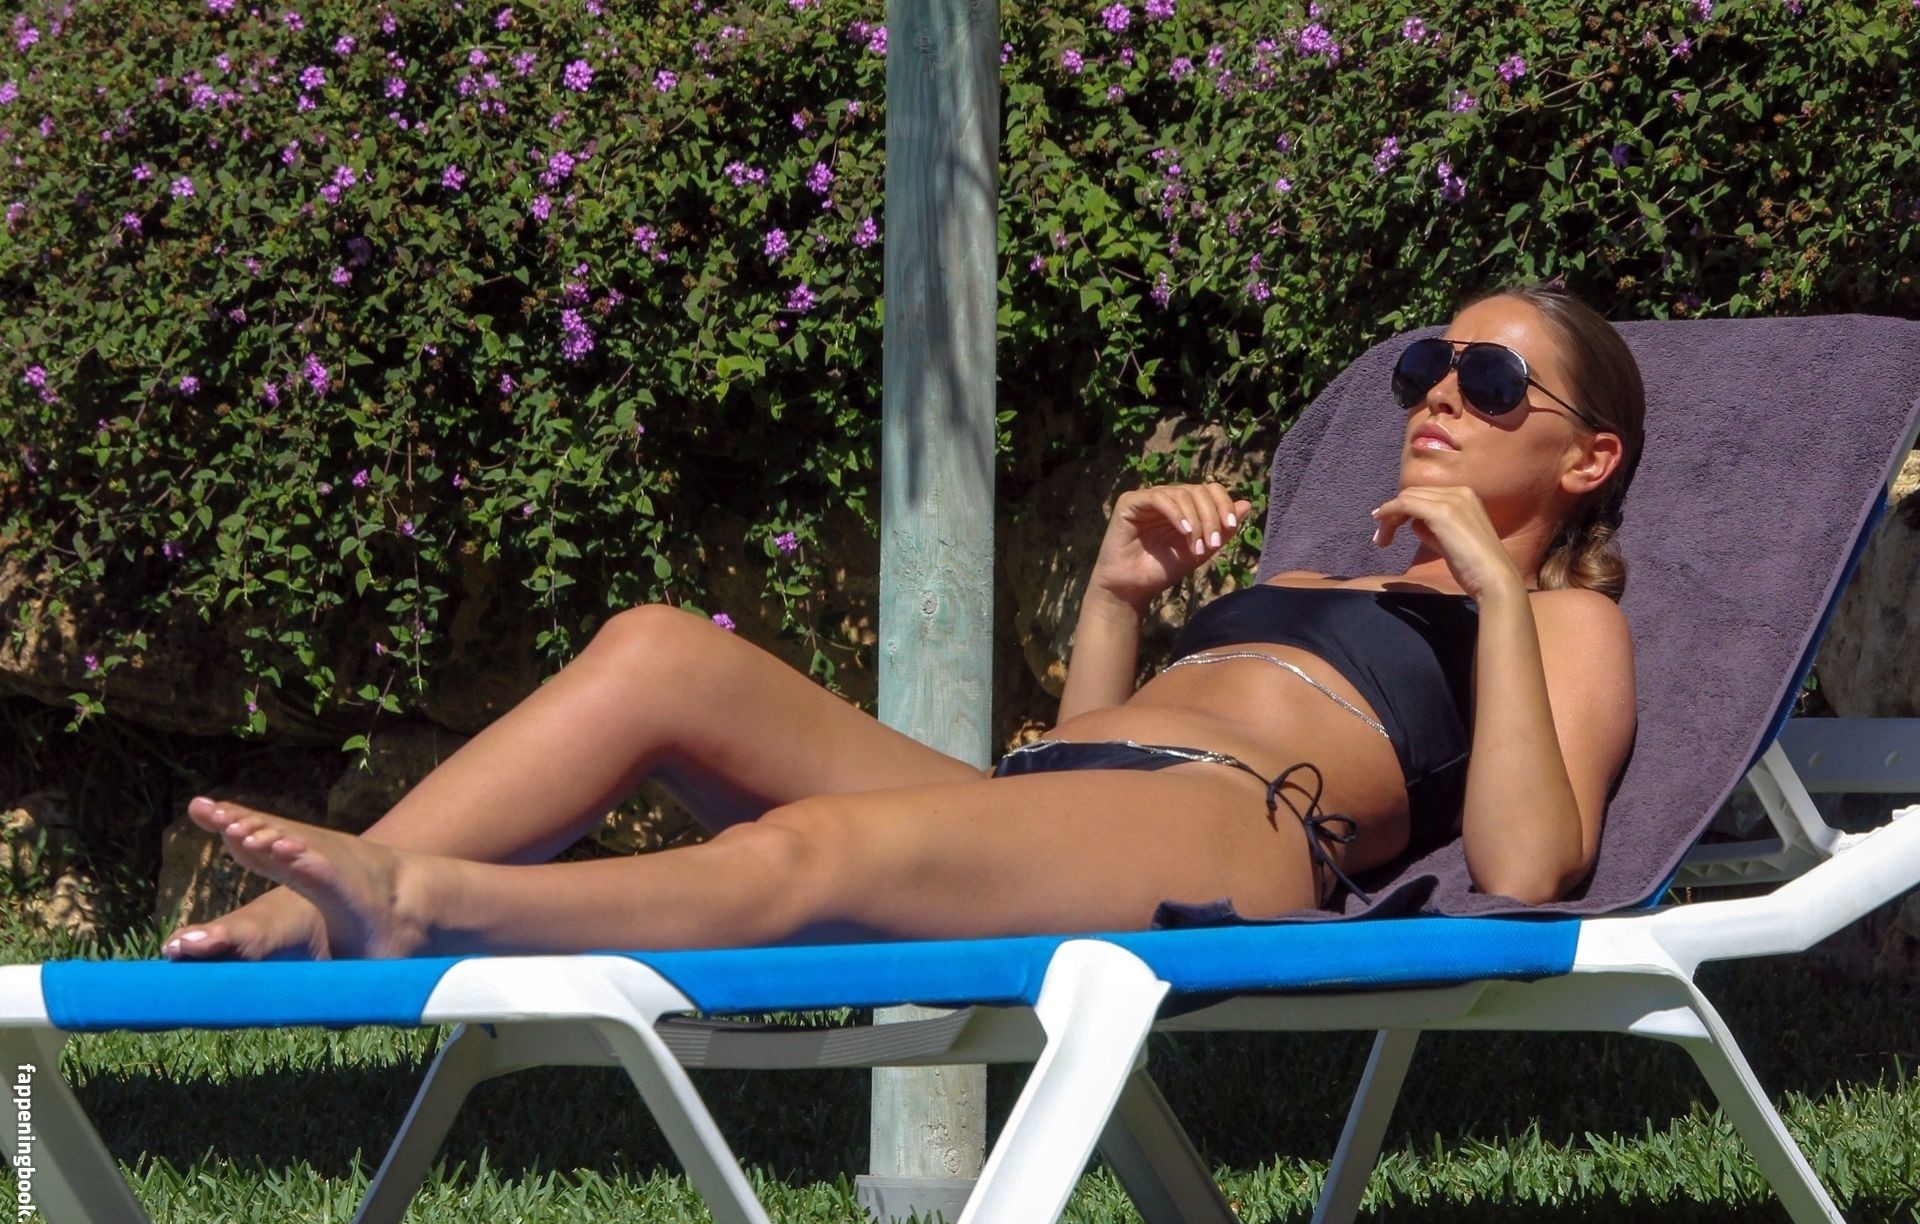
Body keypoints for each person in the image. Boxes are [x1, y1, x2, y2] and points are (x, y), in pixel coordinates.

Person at [162, 280, 1641, 961]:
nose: (1442, 396)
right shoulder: (1319, 578)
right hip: (1078, 801)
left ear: (1587, 460)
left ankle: (429, 906)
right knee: (660, 649)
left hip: (1238, 839)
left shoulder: (1564, 619)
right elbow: (1084, 776)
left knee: (816, 855)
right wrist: (1116, 600)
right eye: (1431, 368)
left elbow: (1528, 868)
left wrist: (1495, 591)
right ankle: (304, 915)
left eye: (1492, 382)